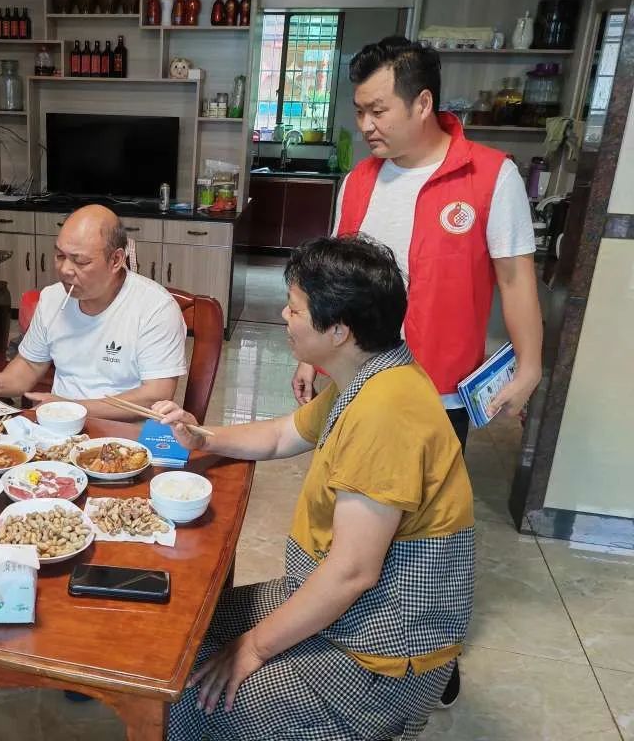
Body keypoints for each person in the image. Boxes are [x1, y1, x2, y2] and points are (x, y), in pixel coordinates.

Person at [292, 37, 541, 705]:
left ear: (423, 101)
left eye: (378, 110)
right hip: (357, 384)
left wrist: (530, 365)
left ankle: (427, 654)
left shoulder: (489, 175)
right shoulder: (360, 180)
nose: (365, 125)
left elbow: (515, 278)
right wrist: (313, 358)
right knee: (354, 519)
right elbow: (330, 283)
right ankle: (346, 634)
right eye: (359, 110)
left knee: (421, 534)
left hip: (437, 393)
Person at [156, 236, 475, 741]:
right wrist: (203, 436)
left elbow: (351, 573)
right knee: (186, 627)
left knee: (181, 701)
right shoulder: (372, 373)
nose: (284, 316)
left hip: (378, 656)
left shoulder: (385, 413)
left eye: (295, 308)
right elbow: (284, 434)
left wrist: (256, 647)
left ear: (339, 330)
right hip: (347, 607)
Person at [0, 204, 187, 419]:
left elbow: (156, 394)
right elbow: (30, 364)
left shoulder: (155, 308)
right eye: (60, 256)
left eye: (80, 261)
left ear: (116, 260)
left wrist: (73, 407)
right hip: (61, 428)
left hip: (126, 433)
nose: (65, 270)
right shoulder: (52, 298)